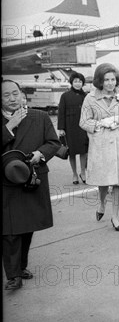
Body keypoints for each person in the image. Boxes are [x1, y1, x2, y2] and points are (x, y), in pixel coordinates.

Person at [2, 79, 60, 290]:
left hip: (32, 179)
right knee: (9, 231)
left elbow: (54, 143)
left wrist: (40, 154)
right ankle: (13, 276)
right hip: (6, 183)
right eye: (6, 95)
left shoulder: (40, 117)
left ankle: (21, 266)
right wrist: (9, 126)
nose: (12, 98)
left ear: (21, 94)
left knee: (27, 228)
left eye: (15, 93)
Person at [80, 63, 119, 232]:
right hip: (101, 145)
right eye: (106, 80)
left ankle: (115, 217)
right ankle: (102, 203)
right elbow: (83, 122)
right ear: (100, 81)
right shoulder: (90, 98)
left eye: (113, 79)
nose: (110, 83)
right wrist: (100, 123)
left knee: (118, 182)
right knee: (104, 180)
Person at [57, 72, 89, 185]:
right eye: (75, 81)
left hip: (83, 127)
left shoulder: (86, 96)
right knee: (71, 152)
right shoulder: (65, 96)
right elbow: (61, 112)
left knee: (83, 151)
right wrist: (61, 128)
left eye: (80, 81)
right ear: (71, 82)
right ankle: (75, 174)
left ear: (83, 83)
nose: (78, 84)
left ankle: (83, 173)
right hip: (69, 127)